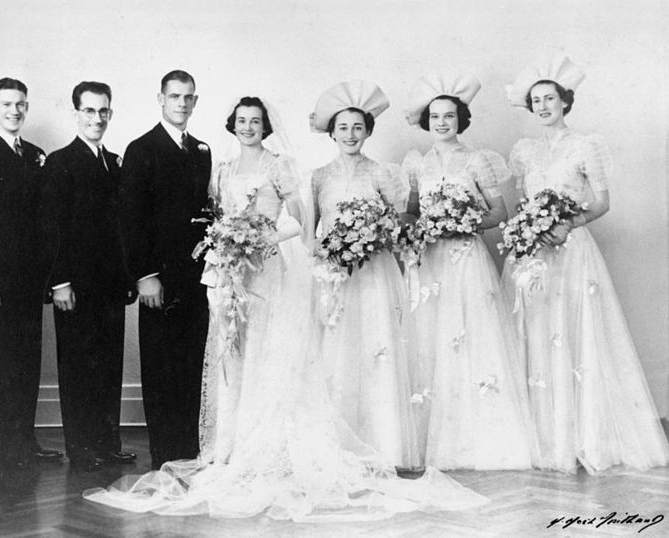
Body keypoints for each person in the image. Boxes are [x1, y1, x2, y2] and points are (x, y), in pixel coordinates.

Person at [84, 95, 488, 521]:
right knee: (233, 353)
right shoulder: (219, 168)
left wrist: (260, 241)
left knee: (267, 349)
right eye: (241, 121)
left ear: (265, 126)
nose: (248, 127)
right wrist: (228, 247)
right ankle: (232, 443)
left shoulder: (279, 166)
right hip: (232, 274)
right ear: (232, 125)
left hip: (268, 271)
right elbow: (215, 216)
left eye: (255, 121)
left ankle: (271, 442)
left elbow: (299, 219)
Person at [502, 55, 669, 473]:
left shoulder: (585, 144)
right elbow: (525, 203)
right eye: (535, 101)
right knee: (538, 332)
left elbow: (601, 202)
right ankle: (545, 437)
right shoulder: (524, 152)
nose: (542, 107)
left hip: (572, 249)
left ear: (565, 102)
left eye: (550, 99)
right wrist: (528, 231)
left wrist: (567, 224)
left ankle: (583, 436)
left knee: (576, 331)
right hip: (535, 250)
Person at [402, 73, 537, 470]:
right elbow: (411, 210)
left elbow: (501, 212)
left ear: (462, 120)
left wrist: (465, 220)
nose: (443, 123)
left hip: (466, 259)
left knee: (473, 336)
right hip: (431, 262)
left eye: (450, 116)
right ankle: (434, 440)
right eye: (436, 116)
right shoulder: (416, 165)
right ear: (428, 122)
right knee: (433, 336)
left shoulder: (477, 160)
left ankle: (480, 437)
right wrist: (419, 225)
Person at [309, 80, 420, 469]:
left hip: (374, 273)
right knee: (337, 353)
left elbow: (400, 223)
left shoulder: (384, 173)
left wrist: (373, 234)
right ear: (332, 133)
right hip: (335, 276)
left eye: (358, 127)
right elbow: (313, 234)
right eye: (343, 128)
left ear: (368, 131)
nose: (350, 135)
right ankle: (336, 444)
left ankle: (383, 444)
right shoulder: (319, 177)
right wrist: (331, 252)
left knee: (376, 349)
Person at [0, 77, 63, 473]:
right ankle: (1, 446)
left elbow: (44, 222)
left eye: (21, 104)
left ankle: (24, 439)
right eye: (7, 104)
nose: (15, 111)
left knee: (26, 361)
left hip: (28, 281)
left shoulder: (36, 155)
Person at [118, 70, 211, 469]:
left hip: (197, 276)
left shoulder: (202, 150)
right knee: (161, 364)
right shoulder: (142, 149)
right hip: (159, 276)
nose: (182, 104)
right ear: (160, 99)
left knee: (192, 359)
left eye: (189, 97)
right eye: (175, 97)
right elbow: (129, 218)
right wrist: (144, 274)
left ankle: (189, 449)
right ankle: (165, 453)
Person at [42, 81, 135, 472]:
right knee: (80, 366)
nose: (97, 119)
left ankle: (106, 442)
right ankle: (81, 447)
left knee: (108, 364)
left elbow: (121, 228)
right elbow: (51, 227)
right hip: (75, 287)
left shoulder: (113, 161)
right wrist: (59, 281)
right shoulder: (61, 162)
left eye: (103, 111)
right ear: (76, 113)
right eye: (89, 111)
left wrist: (128, 278)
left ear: (110, 114)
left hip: (111, 286)